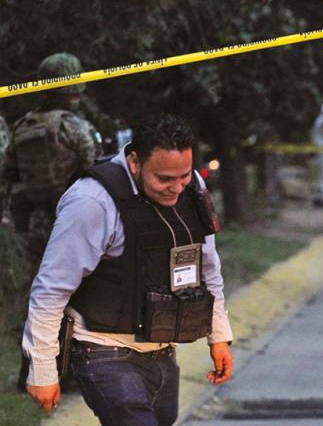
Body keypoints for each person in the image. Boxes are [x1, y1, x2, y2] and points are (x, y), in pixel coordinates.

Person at [22, 114, 234, 425]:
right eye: (163, 179)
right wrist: (42, 369)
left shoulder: (192, 187)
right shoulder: (91, 201)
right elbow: (51, 288)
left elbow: (207, 267)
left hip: (162, 349)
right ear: (135, 162)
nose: (176, 188)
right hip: (103, 350)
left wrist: (219, 336)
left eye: (183, 175)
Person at [3, 53, 103, 392]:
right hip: (72, 223)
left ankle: (26, 371)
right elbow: (96, 174)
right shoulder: (75, 128)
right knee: (76, 295)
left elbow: (8, 175)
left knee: (40, 296)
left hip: (34, 223)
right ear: (75, 86)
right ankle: (69, 371)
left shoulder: (22, 127)